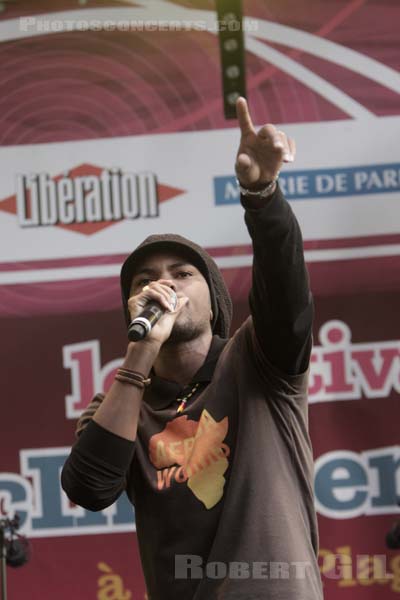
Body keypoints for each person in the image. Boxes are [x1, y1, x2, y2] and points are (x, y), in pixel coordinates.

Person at [61, 97, 323, 600]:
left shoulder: (256, 360)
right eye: (146, 280)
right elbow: (90, 490)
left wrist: (261, 196)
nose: (165, 285)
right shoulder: (120, 403)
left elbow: (288, 300)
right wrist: (139, 356)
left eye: (182, 275)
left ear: (214, 299)